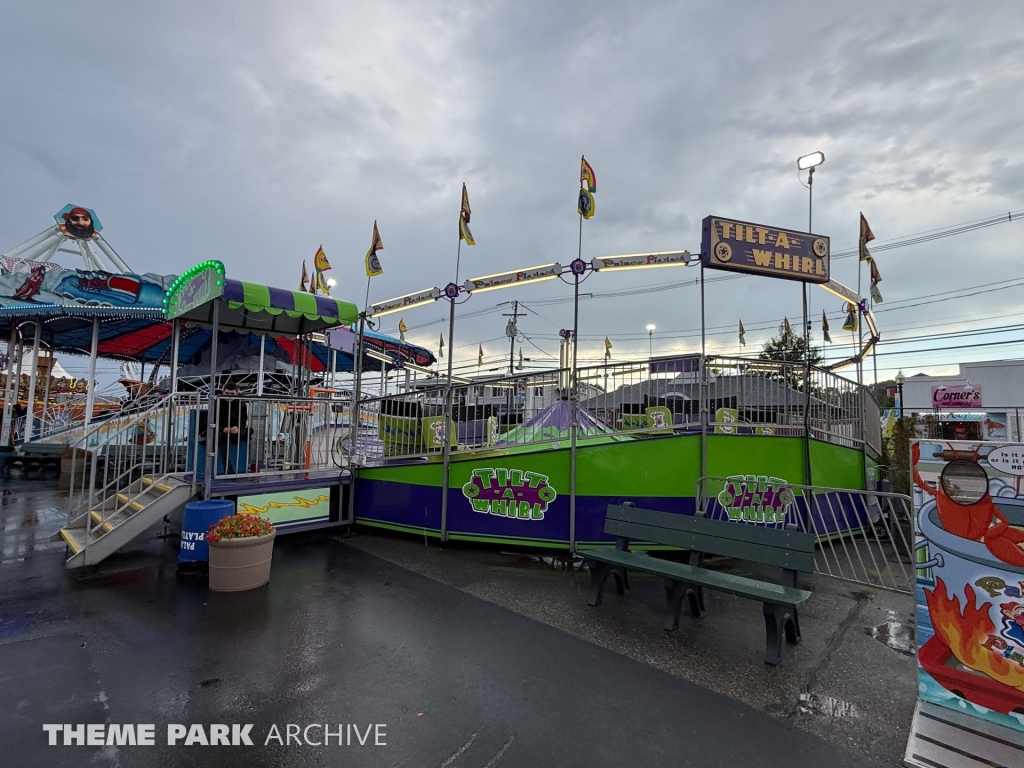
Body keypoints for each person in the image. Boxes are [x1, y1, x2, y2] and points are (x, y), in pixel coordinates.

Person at [216, 381, 249, 474]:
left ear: (237, 393)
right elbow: (211, 420)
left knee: (250, 430)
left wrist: (237, 427)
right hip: (221, 432)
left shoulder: (241, 404)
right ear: (223, 392)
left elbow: (243, 419)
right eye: (227, 394)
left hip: (235, 431)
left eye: (232, 394)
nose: (229, 396)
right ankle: (228, 469)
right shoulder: (216, 403)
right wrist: (222, 428)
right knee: (225, 438)